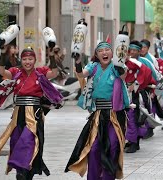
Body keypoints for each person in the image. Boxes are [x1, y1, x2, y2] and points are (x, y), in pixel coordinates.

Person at [0, 46, 62, 180]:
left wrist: (51, 56)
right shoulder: (16, 72)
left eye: (30, 59)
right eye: (24, 59)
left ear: (35, 60)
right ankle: (21, 172)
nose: (27, 62)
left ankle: (26, 171)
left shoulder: (40, 72)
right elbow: (1, 71)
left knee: (28, 142)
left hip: (34, 113)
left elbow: (55, 72)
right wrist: (3, 54)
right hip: (18, 113)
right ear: (21, 60)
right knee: (16, 141)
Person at [65, 42, 130, 180]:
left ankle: (108, 177)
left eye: (107, 50)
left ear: (112, 53)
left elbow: (124, 75)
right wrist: (77, 61)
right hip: (98, 115)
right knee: (93, 149)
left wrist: (120, 63)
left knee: (112, 147)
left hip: (115, 115)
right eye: (101, 51)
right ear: (96, 54)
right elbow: (81, 74)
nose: (104, 52)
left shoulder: (117, 67)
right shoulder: (93, 67)